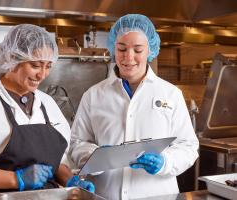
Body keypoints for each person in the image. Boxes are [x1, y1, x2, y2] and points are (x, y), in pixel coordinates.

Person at [0, 24, 94, 200]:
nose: (43, 75)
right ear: (13, 58)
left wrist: (70, 181)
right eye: (36, 65)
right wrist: (16, 179)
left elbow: (56, 161)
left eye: (48, 66)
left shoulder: (48, 103)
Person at [69, 14, 199, 200]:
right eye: (122, 48)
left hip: (157, 195)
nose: (128, 57)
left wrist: (165, 162)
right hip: (106, 194)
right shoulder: (93, 95)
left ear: (150, 51)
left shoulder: (171, 94)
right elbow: (76, 143)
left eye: (138, 50)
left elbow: (188, 146)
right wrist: (94, 156)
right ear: (114, 48)